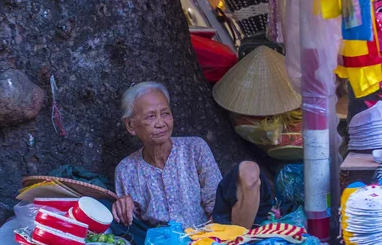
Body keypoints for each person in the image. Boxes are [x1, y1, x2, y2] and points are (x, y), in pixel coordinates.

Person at [112, 82, 273, 236]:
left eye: (166, 113)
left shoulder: (194, 148)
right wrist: (123, 205)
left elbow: (215, 203)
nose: (161, 123)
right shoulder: (126, 169)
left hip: (207, 236)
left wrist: (204, 239)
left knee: (249, 169)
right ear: (131, 126)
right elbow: (132, 226)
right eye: (150, 117)